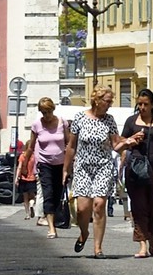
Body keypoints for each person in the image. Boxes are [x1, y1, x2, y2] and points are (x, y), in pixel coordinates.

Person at [116, 89, 153, 258]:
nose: (142, 107)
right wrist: (131, 139)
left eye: (145, 104)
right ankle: (142, 243)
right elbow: (121, 144)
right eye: (139, 104)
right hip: (136, 167)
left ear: (152, 105)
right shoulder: (131, 122)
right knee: (139, 205)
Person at [64, 86, 120, 258]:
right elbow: (71, 146)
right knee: (82, 209)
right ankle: (84, 233)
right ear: (97, 100)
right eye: (108, 101)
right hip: (83, 167)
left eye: (111, 101)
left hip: (103, 165)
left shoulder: (109, 120)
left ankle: (98, 248)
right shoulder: (80, 117)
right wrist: (65, 169)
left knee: (99, 205)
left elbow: (116, 144)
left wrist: (130, 142)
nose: (110, 104)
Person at [29, 97, 69, 236]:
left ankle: (55, 219)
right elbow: (31, 146)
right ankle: (51, 227)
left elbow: (69, 143)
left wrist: (71, 162)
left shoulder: (62, 122)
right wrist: (25, 164)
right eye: (43, 112)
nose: (46, 115)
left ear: (53, 110)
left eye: (48, 112)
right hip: (44, 163)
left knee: (58, 194)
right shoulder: (36, 125)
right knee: (48, 193)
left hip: (61, 163)